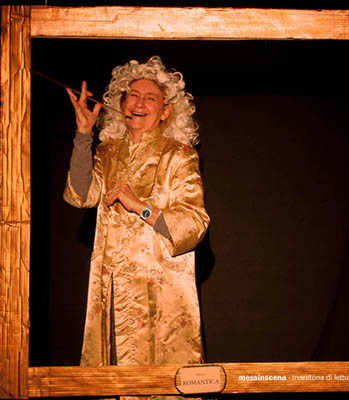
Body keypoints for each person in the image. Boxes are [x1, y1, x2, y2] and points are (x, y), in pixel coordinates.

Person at [63, 56, 210, 395]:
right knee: (113, 380)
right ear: (121, 105)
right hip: (113, 289)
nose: (139, 103)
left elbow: (194, 223)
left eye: (150, 97)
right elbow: (81, 195)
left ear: (166, 111)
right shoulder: (107, 152)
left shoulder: (179, 155)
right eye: (132, 95)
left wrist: (142, 207)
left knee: (161, 384)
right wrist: (83, 135)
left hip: (160, 293)